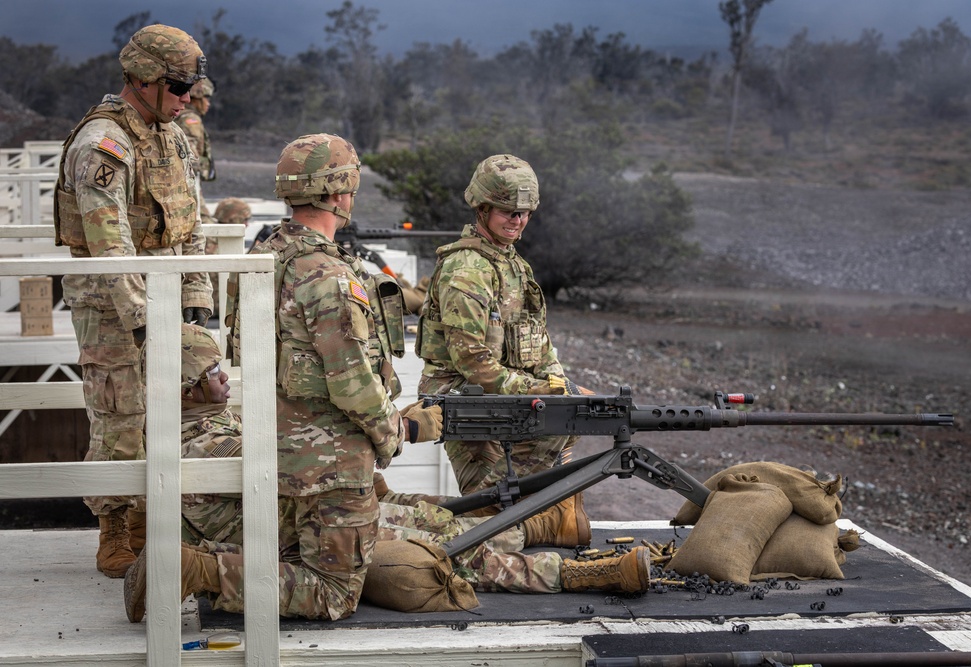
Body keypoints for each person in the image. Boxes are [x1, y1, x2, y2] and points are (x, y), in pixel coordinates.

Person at [126, 132, 444, 623]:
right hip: (329, 463)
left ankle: (200, 562)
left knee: (294, 557)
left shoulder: (263, 258)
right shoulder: (328, 275)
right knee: (334, 591)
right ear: (339, 193)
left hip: (272, 448)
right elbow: (353, 383)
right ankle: (190, 569)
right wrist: (395, 434)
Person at [123, 325, 647, 621]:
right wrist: (400, 428)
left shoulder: (191, 422)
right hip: (298, 531)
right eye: (213, 374)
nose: (224, 379)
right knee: (449, 554)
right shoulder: (209, 440)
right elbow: (303, 458)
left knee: (426, 513)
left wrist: (376, 486)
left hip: (300, 514)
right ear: (188, 387)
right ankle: (575, 572)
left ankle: (543, 528)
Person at [53, 23, 213, 578]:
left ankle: (153, 521)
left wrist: (196, 294)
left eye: (191, 86)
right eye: (177, 85)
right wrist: (144, 318)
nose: (186, 97)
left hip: (165, 294)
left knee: (179, 409)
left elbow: (191, 220)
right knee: (120, 414)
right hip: (110, 305)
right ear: (142, 79)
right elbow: (108, 242)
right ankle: (115, 531)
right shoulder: (105, 142)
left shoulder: (171, 136)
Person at [416, 154, 591, 502]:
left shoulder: (514, 266)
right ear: (482, 209)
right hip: (466, 403)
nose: (518, 221)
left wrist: (560, 384)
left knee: (571, 416)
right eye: (507, 212)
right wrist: (542, 391)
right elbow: (472, 362)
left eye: (524, 213)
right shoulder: (466, 270)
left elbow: (538, 343)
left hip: (505, 400)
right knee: (491, 506)